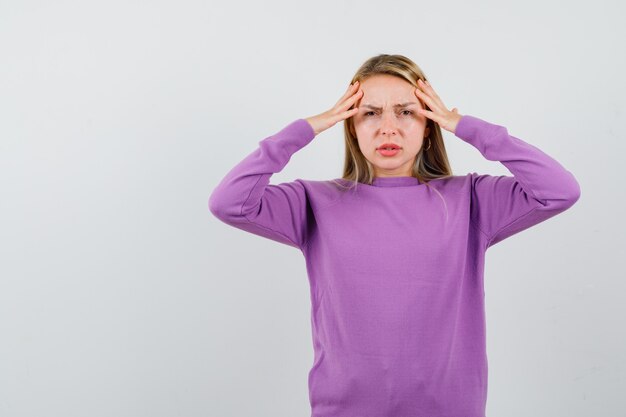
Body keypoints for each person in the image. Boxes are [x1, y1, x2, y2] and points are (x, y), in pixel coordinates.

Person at [208, 54, 581, 417]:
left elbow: (559, 190)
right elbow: (229, 202)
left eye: (406, 111)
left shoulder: (470, 199)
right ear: (350, 126)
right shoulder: (313, 202)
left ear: (429, 124)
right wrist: (305, 129)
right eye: (370, 113)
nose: (389, 128)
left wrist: (466, 126)